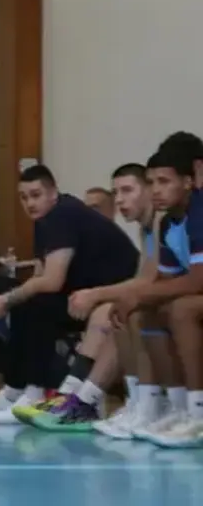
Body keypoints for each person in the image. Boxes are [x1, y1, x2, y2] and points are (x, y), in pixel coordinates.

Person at [0, 165, 138, 425]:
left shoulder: (63, 214)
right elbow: (41, 275)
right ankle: (14, 391)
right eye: (24, 197)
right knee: (23, 299)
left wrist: (7, 299)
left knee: (32, 304)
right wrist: (11, 298)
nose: (29, 203)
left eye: (36, 195)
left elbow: (51, 280)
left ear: (53, 193)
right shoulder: (44, 221)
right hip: (82, 293)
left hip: (110, 294)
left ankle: (35, 392)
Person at [67, 162, 183, 438]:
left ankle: (88, 398)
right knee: (110, 311)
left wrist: (95, 293)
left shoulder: (161, 220)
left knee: (121, 311)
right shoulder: (146, 228)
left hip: (178, 295)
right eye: (116, 192)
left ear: (147, 190)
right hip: (165, 294)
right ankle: (84, 396)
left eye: (127, 190)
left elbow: (147, 282)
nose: (119, 199)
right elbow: (143, 279)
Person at [108, 148, 203, 447]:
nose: (156, 190)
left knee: (181, 310)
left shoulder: (199, 212)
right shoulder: (169, 223)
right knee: (143, 312)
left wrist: (140, 294)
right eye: (151, 182)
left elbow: (198, 279)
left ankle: (198, 411)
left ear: (188, 182)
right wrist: (137, 298)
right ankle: (171, 406)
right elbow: (167, 279)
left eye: (164, 181)